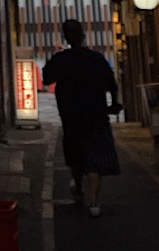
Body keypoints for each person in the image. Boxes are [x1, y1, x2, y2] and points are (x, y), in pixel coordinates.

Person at [42, 18, 121, 218]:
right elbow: (111, 84)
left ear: (65, 37)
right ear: (83, 35)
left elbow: (46, 78)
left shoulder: (61, 60)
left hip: (71, 118)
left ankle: (78, 187)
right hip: (96, 115)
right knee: (96, 158)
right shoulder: (96, 59)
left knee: (75, 156)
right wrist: (114, 104)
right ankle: (92, 201)